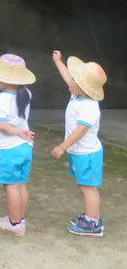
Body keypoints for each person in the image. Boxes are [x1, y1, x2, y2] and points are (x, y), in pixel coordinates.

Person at [50, 51, 107, 237]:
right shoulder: (77, 95)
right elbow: (68, 77)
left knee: (88, 188)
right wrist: (58, 61)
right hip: (80, 153)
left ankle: (93, 223)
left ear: (83, 86)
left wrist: (62, 147)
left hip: (87, 154)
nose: (70, 82)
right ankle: (92, 217)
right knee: (85, 186)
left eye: (74, 80)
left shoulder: (89, 106)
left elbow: (80, 131)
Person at [0, 54, 36, 236]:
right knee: (21, 184)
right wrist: (22, 133)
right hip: (25, 147)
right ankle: (19, 219)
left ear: (3, 79)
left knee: (11, 186)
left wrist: (17, 131)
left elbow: (2, 125)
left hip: (8, 148)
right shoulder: (26, 94)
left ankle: (14, 224)